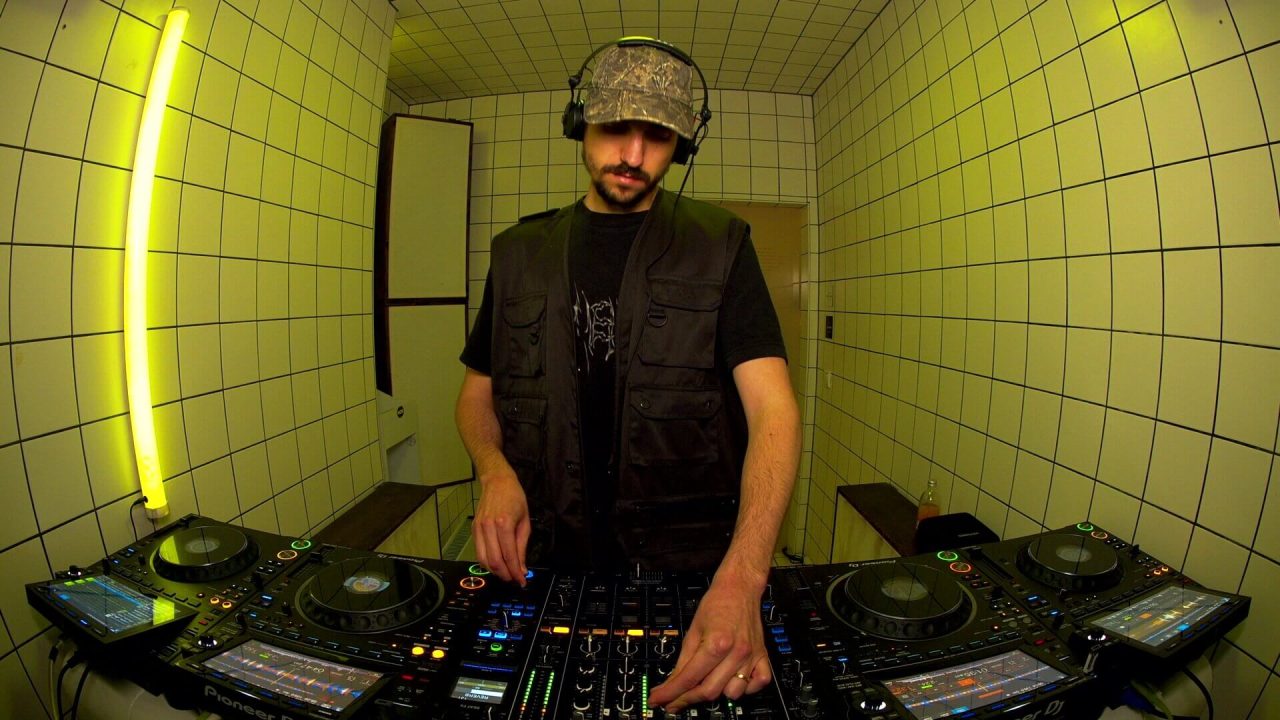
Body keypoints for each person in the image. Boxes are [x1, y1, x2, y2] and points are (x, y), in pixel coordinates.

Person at [454, 37, 800, 715]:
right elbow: (474, 397)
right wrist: (493, 471)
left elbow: (775, 412)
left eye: (658, 136)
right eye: (616, 127)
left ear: (682, 145)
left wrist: (745, 575)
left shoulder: (722, 245)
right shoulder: (517, 253)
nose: (634, 156)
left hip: (689, 573)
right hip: (544, 561)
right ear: (580, 122)